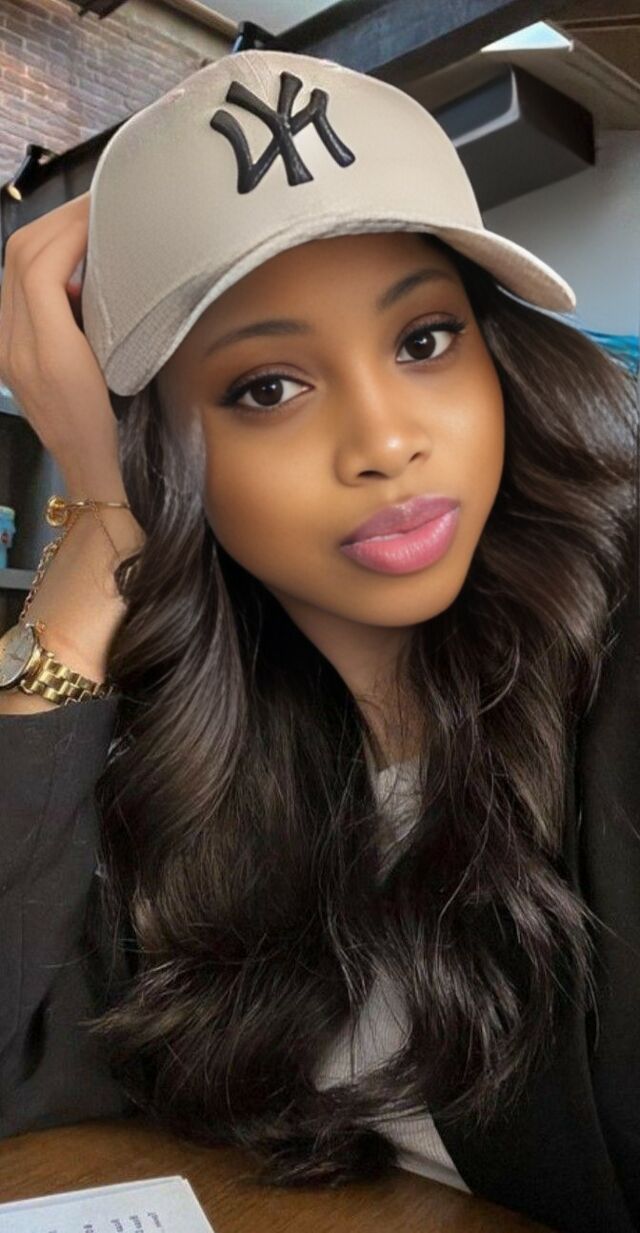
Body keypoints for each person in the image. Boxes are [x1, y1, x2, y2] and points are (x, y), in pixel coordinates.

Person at [0, 49, 637, 1233]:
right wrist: (97, 531)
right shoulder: (193, 766)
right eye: (266, 388)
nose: (386, 441)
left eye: (424, 340)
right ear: (156, 448)